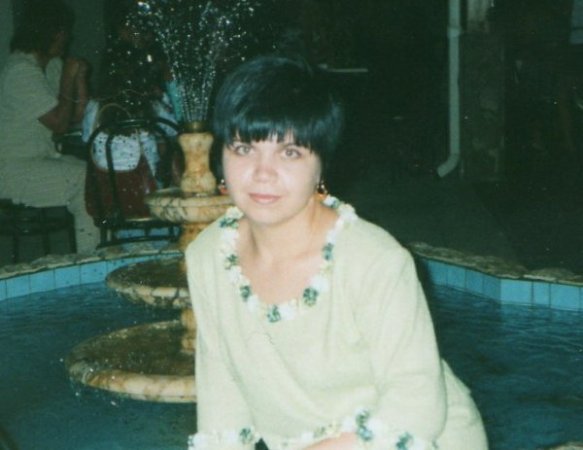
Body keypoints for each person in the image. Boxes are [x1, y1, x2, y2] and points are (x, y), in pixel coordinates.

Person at [185, 55, 488, 449]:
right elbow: (221, 394)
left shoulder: (373, 260)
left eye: (290, 152)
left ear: (321, 165)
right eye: (244, 148)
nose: (262, 173)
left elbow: (416, 405)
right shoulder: (208, 255)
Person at [0, 0, 99, 254]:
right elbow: (59, 124)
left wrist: (79, 80)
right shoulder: (20, 71)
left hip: (41, 159)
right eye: (63, 31)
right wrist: (67, 79)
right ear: (50, 33)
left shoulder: (51, 65)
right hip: (12, 169)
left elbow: (75, 118)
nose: (67, 37)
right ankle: (89, 256)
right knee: (83, 179)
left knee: (95, 171)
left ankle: (96, 247)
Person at [81, 22, 177, 186]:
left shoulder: (95, 105)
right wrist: (163, 96)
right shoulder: (152, 106)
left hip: (109, 190)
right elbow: (174, 129)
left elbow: (87, 139)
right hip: (147, 188)